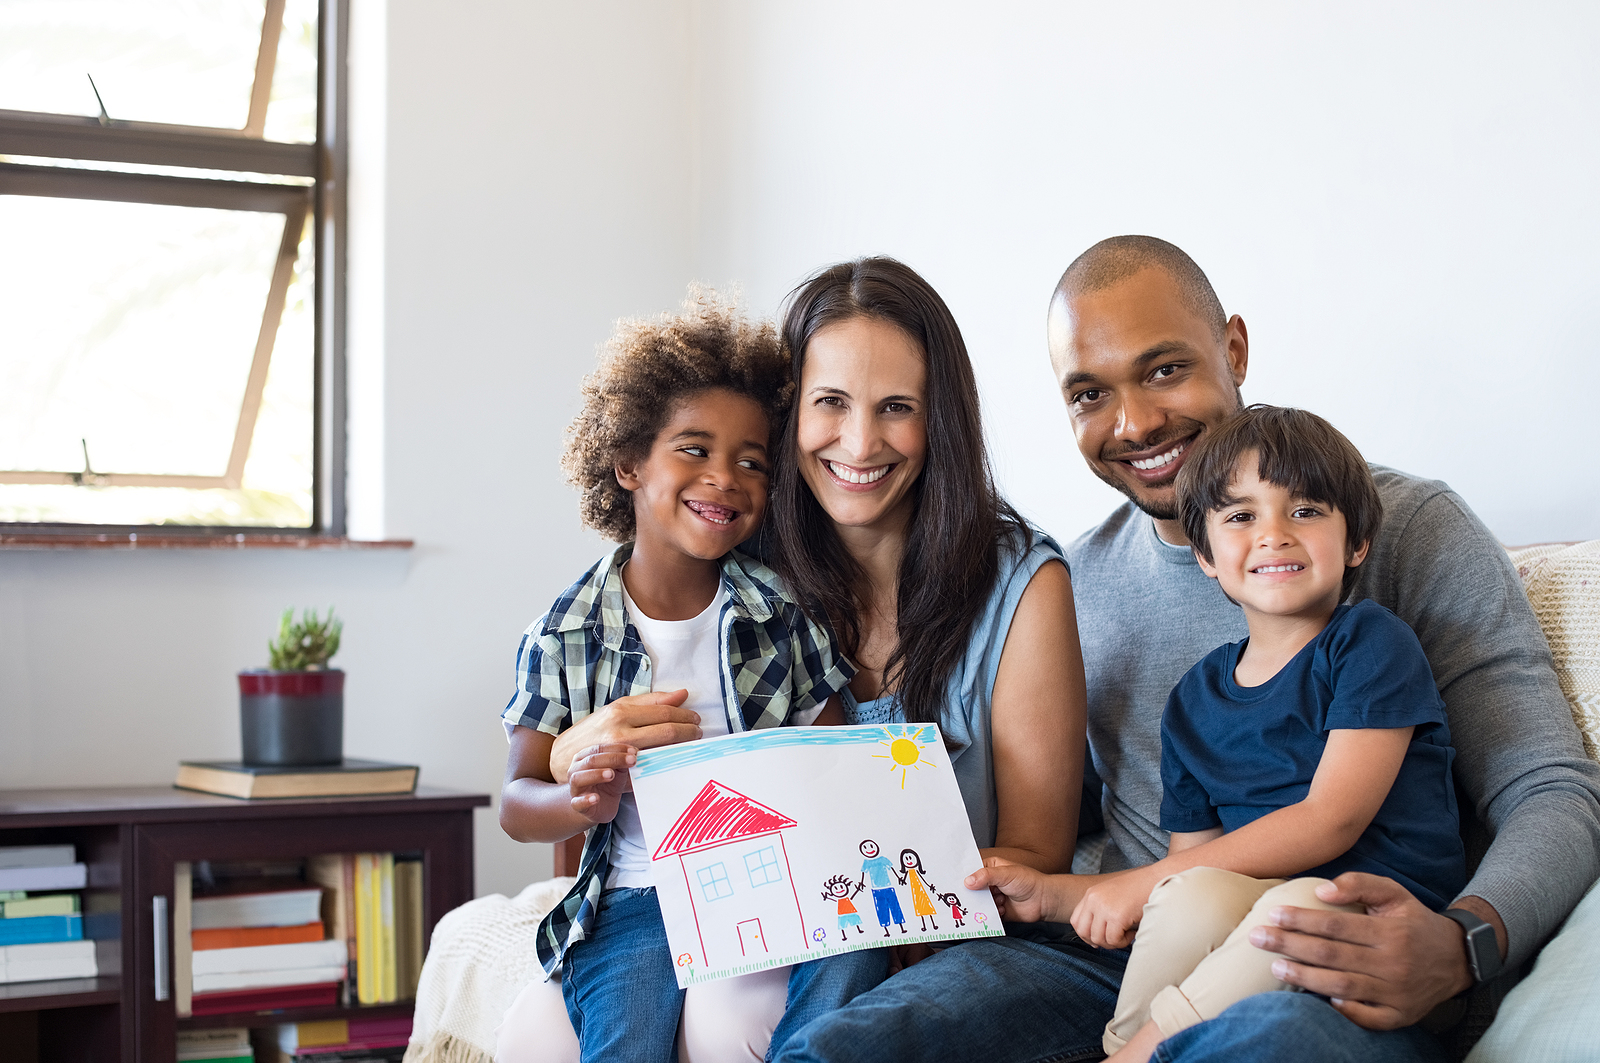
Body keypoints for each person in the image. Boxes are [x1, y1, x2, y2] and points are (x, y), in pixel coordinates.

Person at [775, 237, 1600, 1063]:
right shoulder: (1074, 581)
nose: (1134, 422)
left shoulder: (1401, 529)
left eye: (1165, 369)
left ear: (1233, 348)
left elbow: (1554, 789)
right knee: (851, 1044)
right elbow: (1090, 824)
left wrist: (1463, 944)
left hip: (1329, 968)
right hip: (1125, 958)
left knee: (1265, 1043)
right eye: (1091, 393)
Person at [540, 256, 1089, 1061]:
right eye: (830, 403)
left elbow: (1039, 856)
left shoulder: (1023, 584)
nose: (860, 442)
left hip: (940, 934)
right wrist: (569, 749)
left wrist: (898, 918)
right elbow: (598, 711)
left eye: (897, 407)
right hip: (743, 919)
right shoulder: (737, 560)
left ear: (942, 421)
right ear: (787, 412)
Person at [987, 405, 1469, 1063]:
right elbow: (1191, 871)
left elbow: (1332, 820)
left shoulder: (1369, 643)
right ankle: (1124, 1046)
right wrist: (1051, 894)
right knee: (1195, 894)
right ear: (1206, 554)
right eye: (1241, 516)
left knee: (1294, 904)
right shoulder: (1195, 701)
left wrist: (1147, 880)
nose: (1273, 534)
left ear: (1356, 541)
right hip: (1254, 928)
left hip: (1376, 925)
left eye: (1304, 510)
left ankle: (1138, 1055)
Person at [496, 290, 879, 1063]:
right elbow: (515, 799)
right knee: (628, 1037)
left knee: (857, 948)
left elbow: (844, 766)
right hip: (637, 899)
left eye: (751, 461)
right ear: (630, 461)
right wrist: (577, 798)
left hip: (776, 883)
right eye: (695, 450)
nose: (725, 478)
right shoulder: (566, 630)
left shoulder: (782, 614)